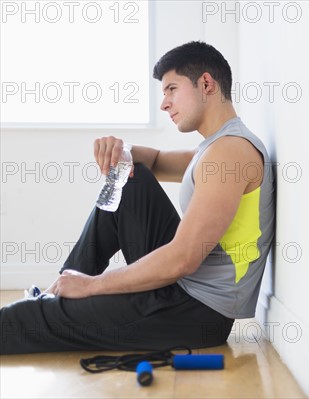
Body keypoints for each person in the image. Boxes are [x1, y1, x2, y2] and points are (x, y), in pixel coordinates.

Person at [0, 41, 275, 355]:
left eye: (172, 89)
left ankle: (65, 293)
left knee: (22, 321)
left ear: (206, 84)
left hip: (194, 312)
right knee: (132, 177)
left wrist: (92, 287)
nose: (165, 104)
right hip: (183, 295)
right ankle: (63, 288)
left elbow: (184, 258)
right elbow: (154, 161)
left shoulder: (229, 154)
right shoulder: (216, 148)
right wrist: (121, 149)